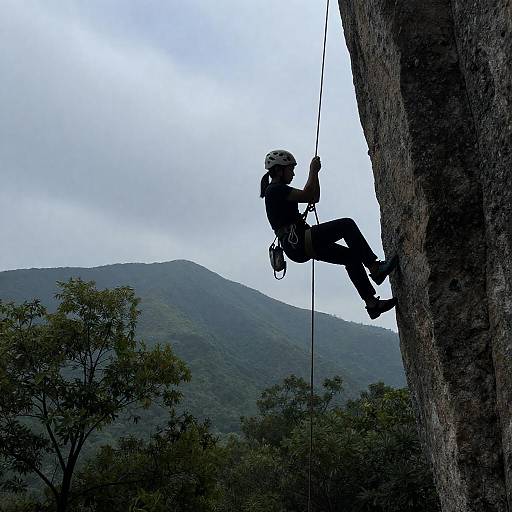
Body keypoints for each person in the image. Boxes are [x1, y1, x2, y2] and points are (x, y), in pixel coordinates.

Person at [260, 149, 398, 320]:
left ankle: (372, 304)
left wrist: (315, 174)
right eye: (291, 169)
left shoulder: (277, 190)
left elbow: (314, 197)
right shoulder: (275, 190)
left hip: (298, 245)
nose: (293, 173)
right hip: (301, 241)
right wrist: (312, 170)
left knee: (351, 257)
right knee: (347, 225)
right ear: (280, 170)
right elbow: (308, 194)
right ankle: (374, 267)